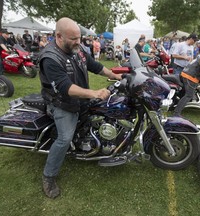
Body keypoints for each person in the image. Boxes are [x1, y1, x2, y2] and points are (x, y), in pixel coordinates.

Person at [38, 17, 122, 199]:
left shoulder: (78, 49)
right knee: (64, 138)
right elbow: (65, 88)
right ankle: (49, 176)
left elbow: (95, 66)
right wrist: (93, 93)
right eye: (73, 39)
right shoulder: (50, 58)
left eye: (79, 37)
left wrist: (115, 75)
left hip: (80, 101)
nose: (78, 42)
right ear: (59, 36)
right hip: (63, 104)